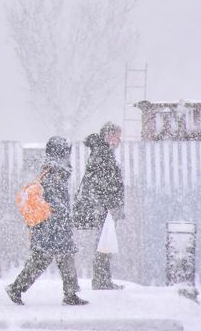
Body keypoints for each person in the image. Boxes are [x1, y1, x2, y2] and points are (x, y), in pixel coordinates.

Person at [6, 136, 88, 306]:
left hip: (50, 226)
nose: (68, 155)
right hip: (52, 226)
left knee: (58, 258)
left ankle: (70, 294)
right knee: (45, 259)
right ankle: (16, 288)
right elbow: (54, 200)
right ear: (60, 152)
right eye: (66, 152)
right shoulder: (55, 172)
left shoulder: (54, 170)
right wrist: (64, 216)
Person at [73, 122, 125, 290]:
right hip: (104, 208)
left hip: (104, 207)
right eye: (116, 135)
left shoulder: (103, 152)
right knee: (104, 242)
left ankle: (103, 279)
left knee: (105, 242)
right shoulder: (102, 153)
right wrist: (110, 205)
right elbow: (102, 183)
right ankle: (101, 280)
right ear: (107, 135)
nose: (119, 140)